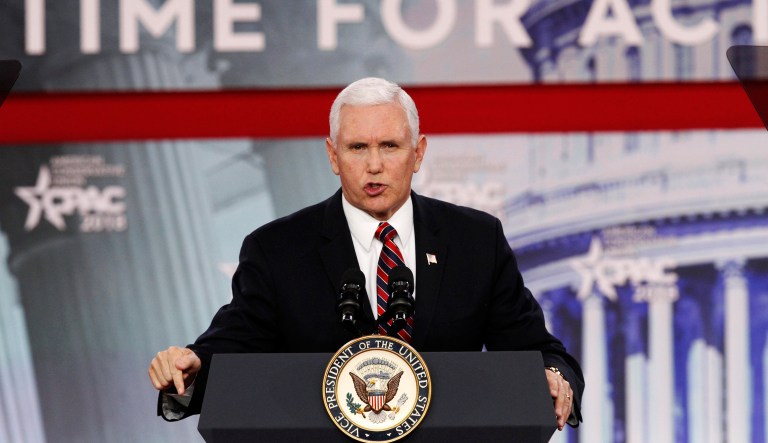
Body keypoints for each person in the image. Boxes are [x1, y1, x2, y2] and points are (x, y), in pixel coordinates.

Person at [148, 77, 584, 430]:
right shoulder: (278, 248)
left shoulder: (475, 239)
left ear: (418, 153)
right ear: (333, 156)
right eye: (358, 148)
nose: (374, 165)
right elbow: (234, 345)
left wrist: (553, 377)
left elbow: (537, 349)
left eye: (390, 146)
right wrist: (193, 365)